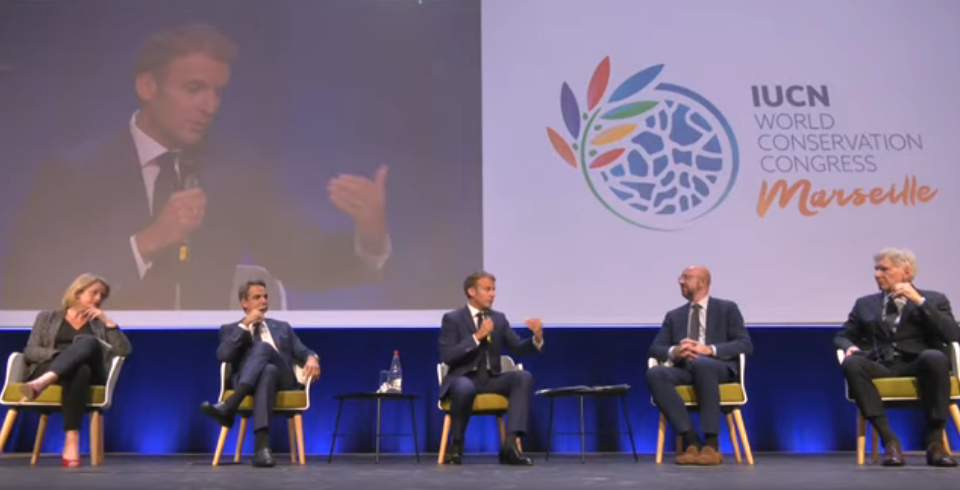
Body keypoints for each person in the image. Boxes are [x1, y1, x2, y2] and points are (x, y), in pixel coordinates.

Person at [1, 23, 390, 310]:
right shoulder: (77, 172)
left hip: (203, 364)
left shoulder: (236, 173)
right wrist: (149, 240)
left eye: (217, 92)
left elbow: (304, 261)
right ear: (148, 87)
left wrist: (369, 234)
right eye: (194, 89)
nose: (210, 106)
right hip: (99, 357)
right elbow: (29, 282)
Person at [835, 248, 958, 467]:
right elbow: (843, 335)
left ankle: (935, 443)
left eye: (884, 269)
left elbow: (951, 334)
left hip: (918, 364)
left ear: (906, 272)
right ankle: (889, 441)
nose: (877, 274)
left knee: (935, 357)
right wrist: (849, 346)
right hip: (882, 364)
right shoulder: (865, 304)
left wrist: (919, 302)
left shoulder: (934, 300)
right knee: (852, 362)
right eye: (876, 269)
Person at [200, 279, 320, 467]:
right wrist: (246, 325)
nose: (263, 301)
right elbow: (223, 355)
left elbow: (304, 352)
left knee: (265, 351)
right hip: (255, 380)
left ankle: (230, 405)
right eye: (257, 297)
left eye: (265, 297)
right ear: (244, 303)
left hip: (285, 379)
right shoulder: (230, 329)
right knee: (268, 371)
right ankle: (262, 449)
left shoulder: (282, 328)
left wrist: (313, 358)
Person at [17, 273, 133, 467]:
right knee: (79, 370)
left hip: (81, 374)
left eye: (102, 296)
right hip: (51, 366)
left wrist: (108, 323)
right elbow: (31, 351)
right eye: (94, 293)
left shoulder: (98, 324)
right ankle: (72, 442)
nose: (98, 299)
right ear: (78, 292)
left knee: (87, 343)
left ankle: (42, 383)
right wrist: (62, 357)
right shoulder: (47, 318)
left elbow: (124, 351)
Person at [646, 265, 753, 465]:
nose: (681, 281)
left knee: (703, 364)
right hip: (685, 368)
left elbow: (745, 344)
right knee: (656, 374)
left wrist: (708, 349)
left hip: (717, 367)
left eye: (686, 278)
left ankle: (712, 444)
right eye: (681, 278)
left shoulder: (727, 309)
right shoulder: (674, 315)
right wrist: (675, 351)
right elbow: (655, 348)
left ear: (702, 283)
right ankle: (691, 440)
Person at [438, 271, 543, 466]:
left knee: (523, 377)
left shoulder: (499, 318)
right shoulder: (453, 319)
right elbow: (448, 355)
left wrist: (536, 338)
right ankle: (456, 446)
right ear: (471, 291)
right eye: (487, 289)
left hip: (492, 378)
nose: (492, 294)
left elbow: (516, 346)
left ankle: (509, 447)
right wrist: (477, 337)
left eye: (494, 290)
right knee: (464, 388)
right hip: (464, 377)